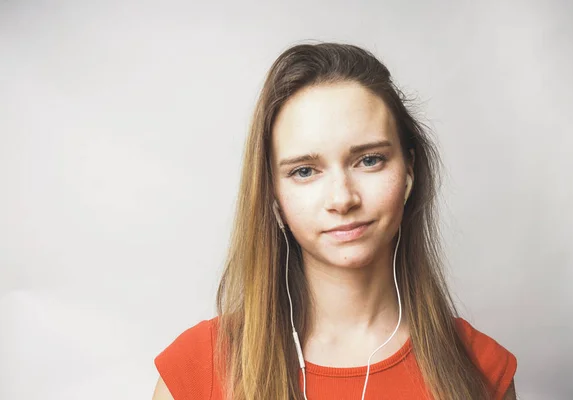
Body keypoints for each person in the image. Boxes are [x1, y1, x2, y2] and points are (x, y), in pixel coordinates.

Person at [151, 42, 517, 400]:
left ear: (409, 172)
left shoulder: (483, 371)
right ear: (272, 194)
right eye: (305, 171)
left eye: (369, 160)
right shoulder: (196, 369)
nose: (342, 199)